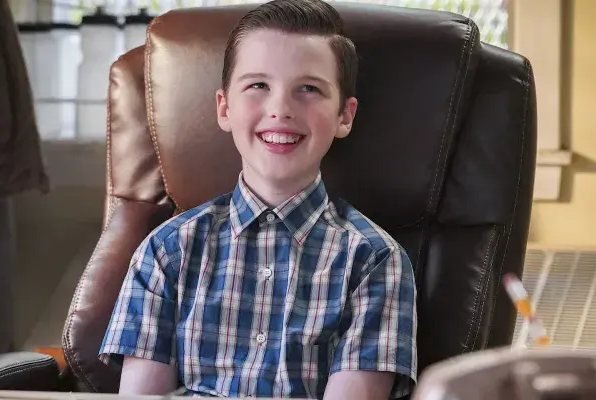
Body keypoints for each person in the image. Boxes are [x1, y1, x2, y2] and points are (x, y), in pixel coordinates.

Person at [98, 0, 417, 398]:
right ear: (225, 107)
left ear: (344, 116)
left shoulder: (374, 261)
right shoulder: (165, 252)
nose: (280, 109)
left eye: (309, 89)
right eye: (258, 86)